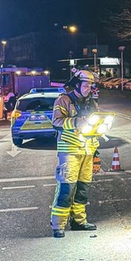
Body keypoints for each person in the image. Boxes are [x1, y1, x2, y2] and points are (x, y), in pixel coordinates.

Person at [49, 69, 99, 238]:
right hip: (69, 150)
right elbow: (56, 122)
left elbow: (96, 124)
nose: (89, 88)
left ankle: (79, 221)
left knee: (83, 188)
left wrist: (96, 149)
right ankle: (58, 225)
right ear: (76, 85)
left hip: (87, 150)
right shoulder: (63, 100)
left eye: (91, 85)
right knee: (66, 188)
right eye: (86, 85)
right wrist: (77, 121)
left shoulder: (92, 103)